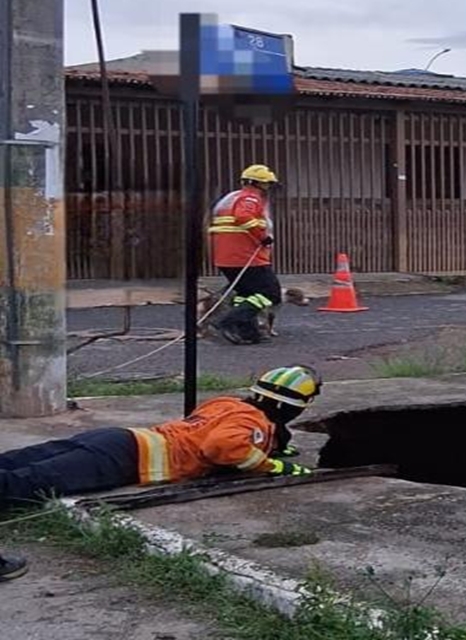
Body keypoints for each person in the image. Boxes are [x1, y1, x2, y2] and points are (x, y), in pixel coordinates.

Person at [0, 366, 321, 510]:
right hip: (127, 459)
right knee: (25, 483)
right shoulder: (255, 422)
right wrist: (274, 467)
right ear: (293, 407)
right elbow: (222, 447)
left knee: (23, 461)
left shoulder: (229, 403)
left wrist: (274, 448)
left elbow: (214, 431)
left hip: (119, 439)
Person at [209, 164, 282, 345]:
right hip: (246, 257)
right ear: (257, 184)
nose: (268, 189)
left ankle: (248, 332)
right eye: (267, 184)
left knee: (245, 293)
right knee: (270, 293)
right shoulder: (250, 197)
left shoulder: (231, 198)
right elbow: (243, 217)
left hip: (227, 258)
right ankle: (228, 321)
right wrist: (263, 237)